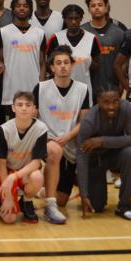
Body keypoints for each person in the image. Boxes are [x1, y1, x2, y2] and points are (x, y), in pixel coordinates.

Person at [36, 46, 90, 224]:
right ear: (52, 67)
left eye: (66, 62)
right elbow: (33, 118)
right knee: (54, 151)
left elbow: (84, 122)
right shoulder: (41, 88)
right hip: (47, 142)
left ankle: (43, 189)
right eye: (58, 63)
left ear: (72, 65)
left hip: (70, 145)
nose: (63, 66)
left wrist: (67, 137)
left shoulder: (82, 89)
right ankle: (50, 208)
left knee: (63, 200)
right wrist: (44, 137)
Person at [75, 86, 131, 219]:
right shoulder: (89, 120)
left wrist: (102, 141)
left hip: (116, 155)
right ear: (98, 102)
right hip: (95, 160)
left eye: (115, 101)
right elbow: (81, 157)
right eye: (106, 102)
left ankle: (125, 205)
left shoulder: (126, 108)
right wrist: (84, 194)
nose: (111, 106)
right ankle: (84, 186)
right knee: (96, 206)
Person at [0, 91, 49, 224]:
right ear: (13, 108)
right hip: (6, 172)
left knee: (37, 176)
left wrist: (15, 176)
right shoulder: (3, 130)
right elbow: (1, 164)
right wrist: (7, 197)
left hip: (24, 172)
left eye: (28, 105)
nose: (24, 108)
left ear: (34, 108)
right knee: (10, 219)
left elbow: (36, 163)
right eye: (19, 105)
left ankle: (27, 201)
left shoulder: (41, 129)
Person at [0, 0, 46, 111]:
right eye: (18, 6)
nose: (22, 8)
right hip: (11, 92)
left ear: (30, 10)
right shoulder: (3, 32)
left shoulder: (39, 33)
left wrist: (41, 87)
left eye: (25, 6)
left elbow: (42, 63)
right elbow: (0, 61)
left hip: (33, 90)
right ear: (13, 9)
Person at [46, 4, 100, 101]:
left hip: (84, 89)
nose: (73, 21)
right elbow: (49, 65)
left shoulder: (91, 38)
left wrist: (86, 61)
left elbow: (97, 67)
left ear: (81, 19)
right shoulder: (56, 38)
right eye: (70, 18)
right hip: (59, 89)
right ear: (65, 19)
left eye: (76, 18)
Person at [83, 0, 126, 102]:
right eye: (93, 6)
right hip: (88, 87)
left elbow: (125, 62)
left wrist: (122, 84)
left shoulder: (119, 32)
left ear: (106, 8)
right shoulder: (82, 31)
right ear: (88, 10)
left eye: (100, 5)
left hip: (113, 87)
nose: (97, 8)